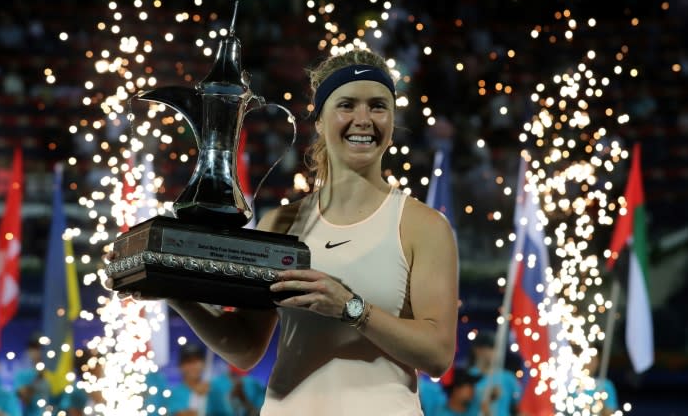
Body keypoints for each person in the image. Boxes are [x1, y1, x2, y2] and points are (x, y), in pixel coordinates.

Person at [112, 48, 459, 415]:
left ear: (391, 120)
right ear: (321, 121)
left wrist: (352, 308)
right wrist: (173, 290)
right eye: (346, 105)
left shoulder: (423, 225)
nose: (363, 119)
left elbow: (437, 355)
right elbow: (246, 349)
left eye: (377, 106)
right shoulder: (280, 223)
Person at [468, 331, 521, 416]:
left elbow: (518, 406)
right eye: (490, 347)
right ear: (477, 349)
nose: (494, 352)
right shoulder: (467, 376)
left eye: (496, 348)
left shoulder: (508, 378)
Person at [12, 333, 51, 416]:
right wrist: (37, 378)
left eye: (42, 348)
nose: (39, 352)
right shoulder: (22, 374)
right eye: (35, 348)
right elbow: (24, 399)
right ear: (29, 350)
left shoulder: (53, 373)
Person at [167, 343, 211, 416]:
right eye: (189, 362)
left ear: (204, 364)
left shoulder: (214, 390)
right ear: (181, 366)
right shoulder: (176, 394)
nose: (193, 366)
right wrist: (196, 396)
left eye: (197, 361)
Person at [576, 344, 618, 416]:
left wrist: (602, 403)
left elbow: (610, 413)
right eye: (588, 358)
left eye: (594, 359)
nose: (591, 363)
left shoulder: (606, 385)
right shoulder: (568, 384)